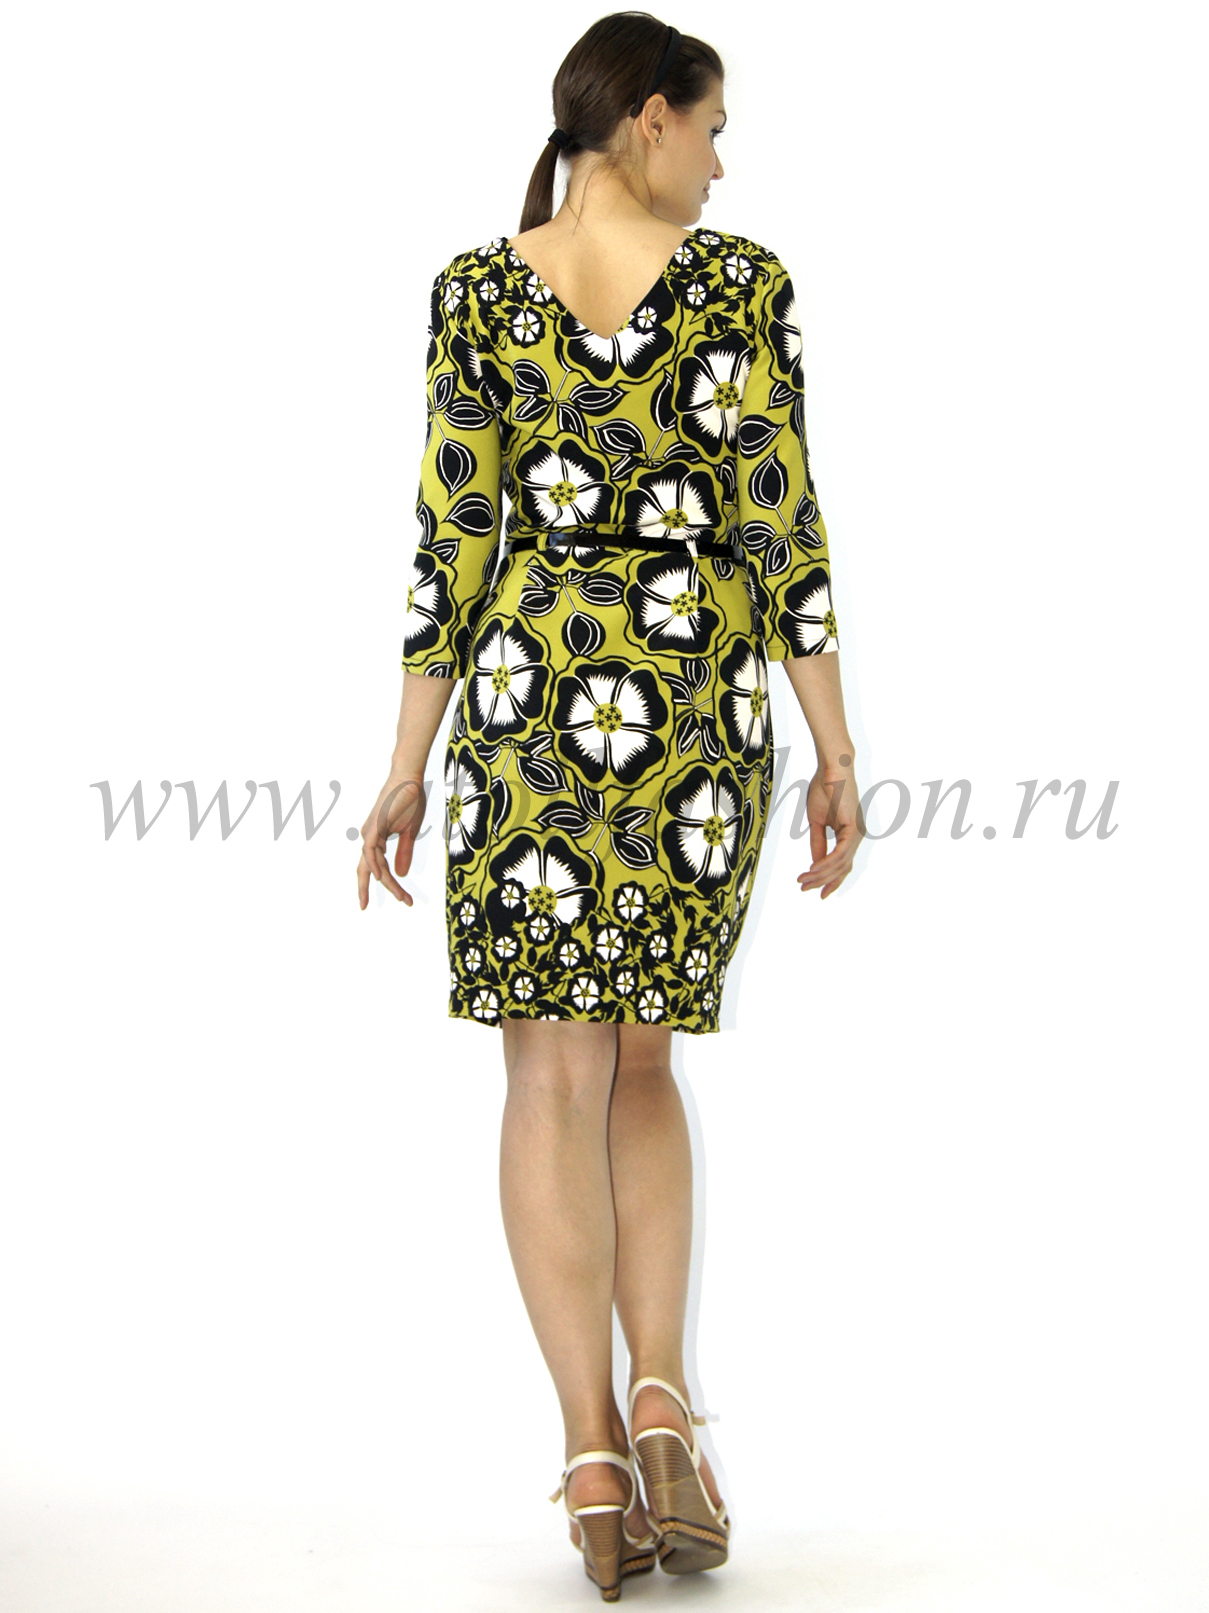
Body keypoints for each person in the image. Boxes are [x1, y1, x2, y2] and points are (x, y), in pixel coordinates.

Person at [357, 13, 864, 1601]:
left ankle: (590, 1451)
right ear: (649, 118)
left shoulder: (477, 289)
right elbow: (778, 527)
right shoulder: (742, 287)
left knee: (548, 1075)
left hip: (526, 720)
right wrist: (833, 747)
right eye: (711, 127)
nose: (719, 162)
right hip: (693, 722)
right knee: (643, 1062)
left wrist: (405, 762)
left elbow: (454, 539)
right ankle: (661, 1400)